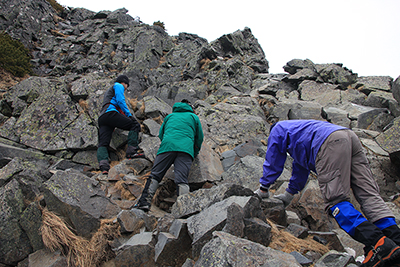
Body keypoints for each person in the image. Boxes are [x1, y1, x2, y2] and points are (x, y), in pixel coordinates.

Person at [254, 119, 400, 267]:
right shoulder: (299, 131)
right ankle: (395, 240)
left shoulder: (278, 129)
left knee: (336, 201)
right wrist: (289, 194)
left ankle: (378, 243)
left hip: (329, 143)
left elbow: (273, 159)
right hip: (349, 136)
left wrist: (264, 187)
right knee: (368, 195)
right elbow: (300, 169)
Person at [135, 99, 204, 212]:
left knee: (155, 175)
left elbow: (161, 134)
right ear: (191, 107)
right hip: (185, 150)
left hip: (167, 148)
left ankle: (144, 203)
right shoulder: (193, 117)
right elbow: (199, 137)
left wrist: (168, 144)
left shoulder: (169, 117)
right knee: (181, 180)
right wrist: (194, 152)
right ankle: (184, 209)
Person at [97, 75, 144, 174]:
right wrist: (130, 116)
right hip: (110, 114)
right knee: (134, 125)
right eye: (127, 86)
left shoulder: (109, 92)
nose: (126, 88)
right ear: (124, 83)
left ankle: (104, 167)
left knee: (103, 142)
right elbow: (120, 101)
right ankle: (132, 152)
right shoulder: (118, 85)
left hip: (103, 118)